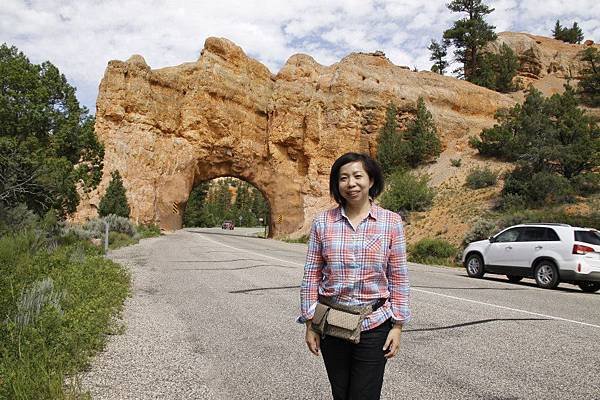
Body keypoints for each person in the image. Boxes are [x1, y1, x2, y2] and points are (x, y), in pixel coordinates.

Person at [298, 152, 411, 400]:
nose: (351, 184)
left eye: (358, 176)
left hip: (374, 323)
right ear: (336, 184)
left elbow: (399, 276)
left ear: (371, 180)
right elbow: (311, 275)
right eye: (343, 178)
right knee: (341, 393)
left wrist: (398, 325)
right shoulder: (322, 223)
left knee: (365, 395)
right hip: (331, 322)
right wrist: (310, 323)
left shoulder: (391, 222)